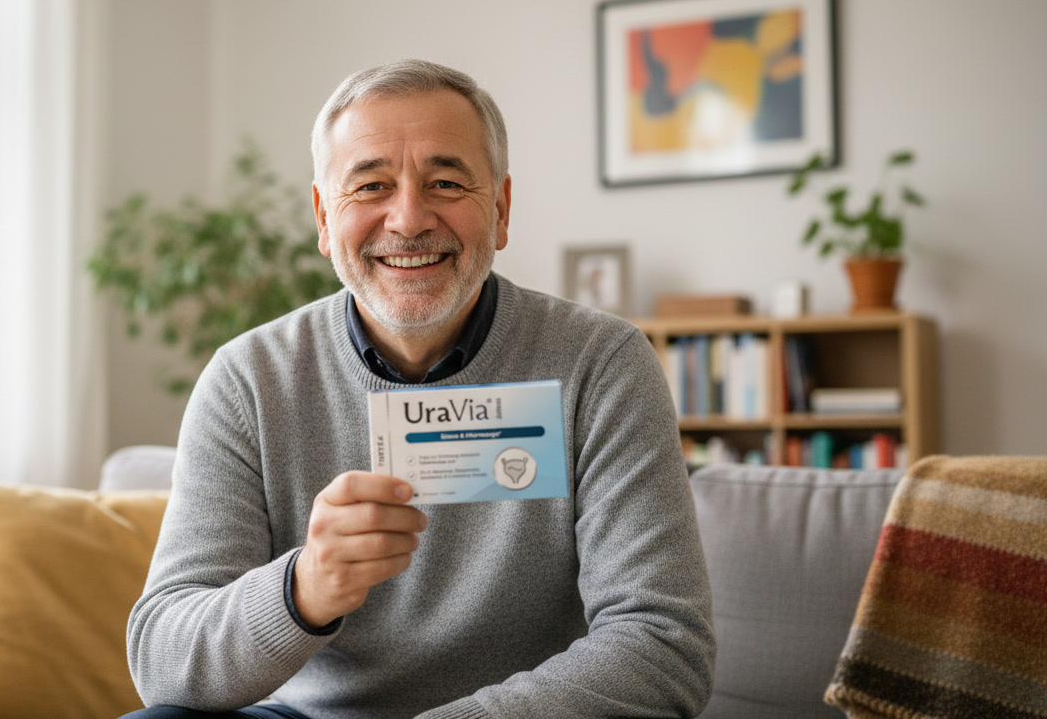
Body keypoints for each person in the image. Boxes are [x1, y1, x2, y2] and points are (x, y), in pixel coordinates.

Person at [123, 59, 715, 719]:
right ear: (323, 218)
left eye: (445, 182)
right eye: (371, 185)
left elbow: (662, 648)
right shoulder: (247, 380)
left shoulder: (601, 366)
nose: (407, 218)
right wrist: (304, 587)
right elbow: (162, 663)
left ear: (501, 208)